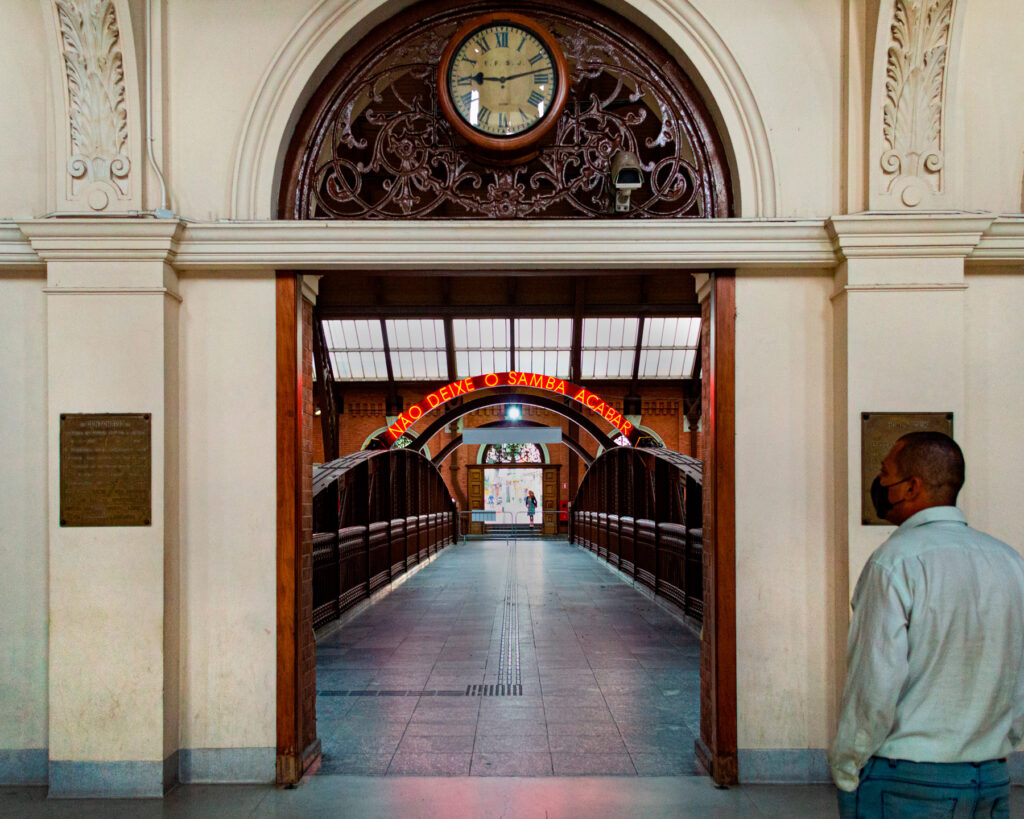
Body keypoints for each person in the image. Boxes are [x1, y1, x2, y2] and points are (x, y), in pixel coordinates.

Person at [829, 431, 1024, 818]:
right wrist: (1003, 740)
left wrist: (848, 764)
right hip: (991, 775)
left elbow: (874, 681)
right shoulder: (1009, 562)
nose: (879, 484)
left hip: (907, 779)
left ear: (911, 487)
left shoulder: (894, 562)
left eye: (885, 474)